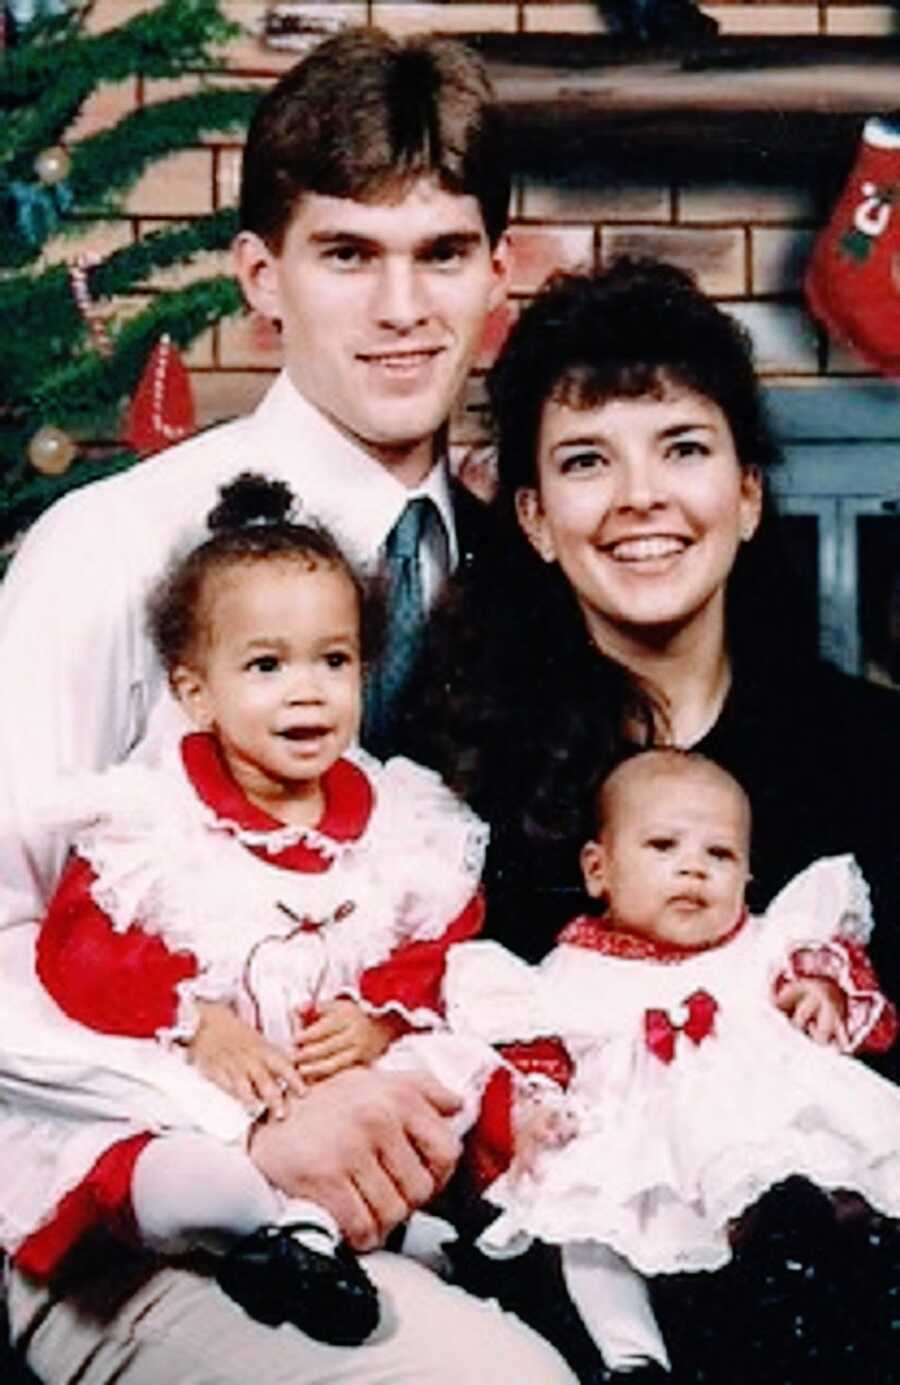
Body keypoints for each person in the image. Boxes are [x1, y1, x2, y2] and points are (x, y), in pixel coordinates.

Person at [0, 29, 575, 1385]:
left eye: (441, 253)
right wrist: (241, 1124)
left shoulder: (517, 570)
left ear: (499, 270)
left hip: (432, 1200)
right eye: (347, 255)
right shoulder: (113, 549)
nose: (401, 308)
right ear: (262, 278)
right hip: (137, 1215)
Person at [404, 256, 900, 1382]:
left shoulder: (869, 753)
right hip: (584, 1286)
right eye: (587, 461)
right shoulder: (454, 784)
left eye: (682, 447)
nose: (640, 496)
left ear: (749, 491)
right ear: (532, 517)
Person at [3, 473, 491, 1349]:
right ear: (197, 692)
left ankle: (344, 1226)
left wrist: (379, 1015)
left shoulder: (400, 820)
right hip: (206, 1093)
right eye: (266, 665)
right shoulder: (154, 821)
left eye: (333, 661)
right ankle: (273, 1238)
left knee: (442, 1080)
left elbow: (442, 933)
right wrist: (196, 1022)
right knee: (174, 1172)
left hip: (331, 1086)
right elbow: (78, 950)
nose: (306, 691)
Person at [394, 748, 899, 1382]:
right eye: (663, 846)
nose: (693, 867)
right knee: (584, 1226)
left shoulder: (767, 944)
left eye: (720, 855)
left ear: (748, 877)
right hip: (633, 1147)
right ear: (598, 869)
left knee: (835, 1166)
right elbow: (531, 1052)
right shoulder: (567, 974)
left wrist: (821, 993)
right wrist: (539, 1108)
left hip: (756, 1138)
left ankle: (832, 1284)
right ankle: (631, 1355)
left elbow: (841, 980)